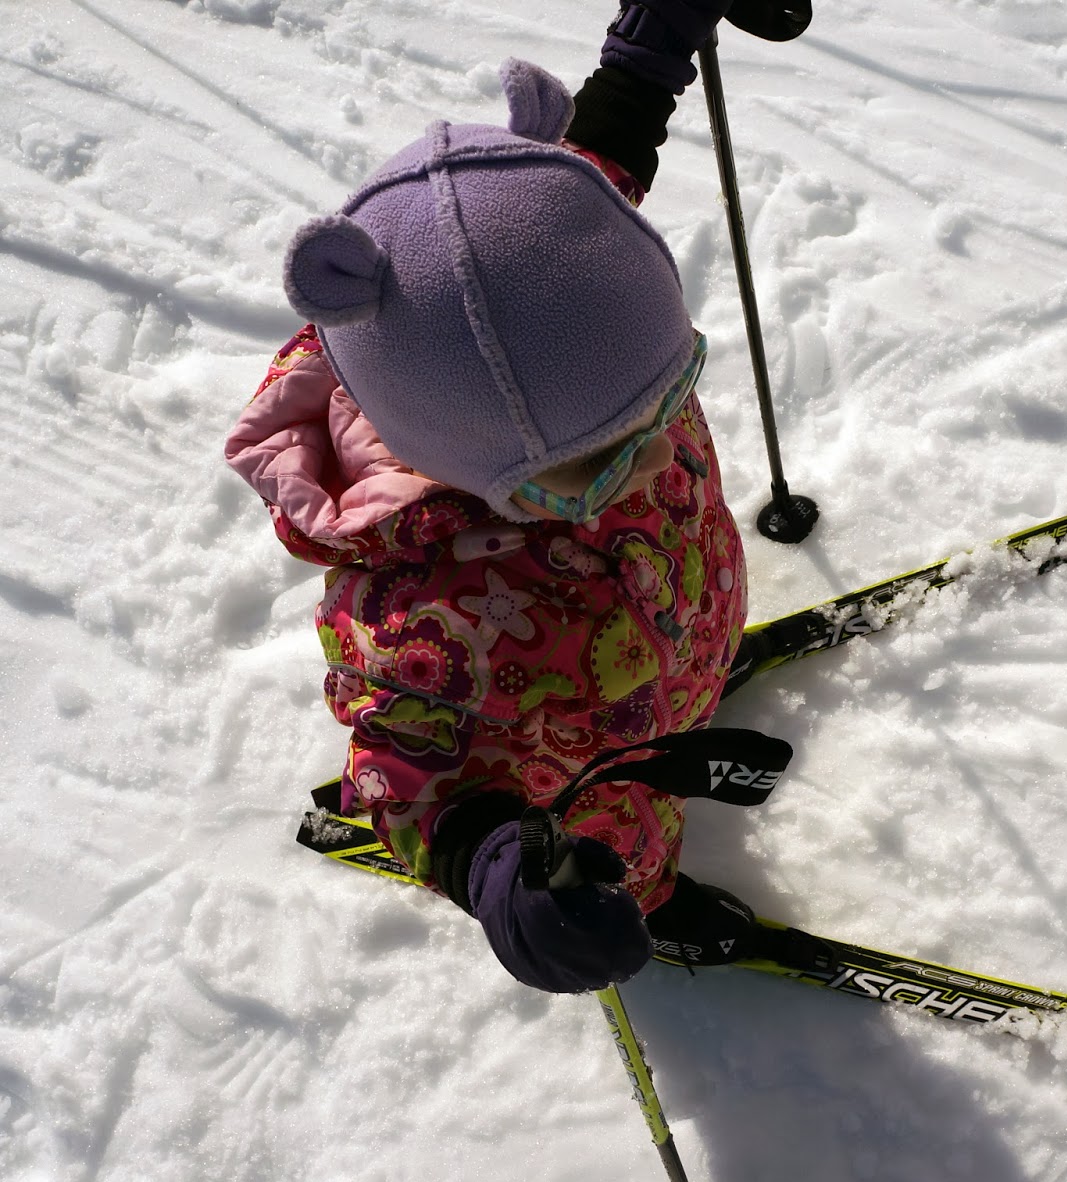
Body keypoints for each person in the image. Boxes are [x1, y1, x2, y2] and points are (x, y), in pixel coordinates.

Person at [225, 2, 786, 993]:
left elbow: (594, 174)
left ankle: (695, 670)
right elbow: (406, 783)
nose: (657, 455)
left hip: (671, 612)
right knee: (621, 829)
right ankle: (648, 900)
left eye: (672, 395)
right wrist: (495, 865)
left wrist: (650, 47)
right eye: (604, 460)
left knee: (673, 626)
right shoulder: (426, 621)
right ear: (462, 466)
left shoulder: (559, 301)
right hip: (582, 761)